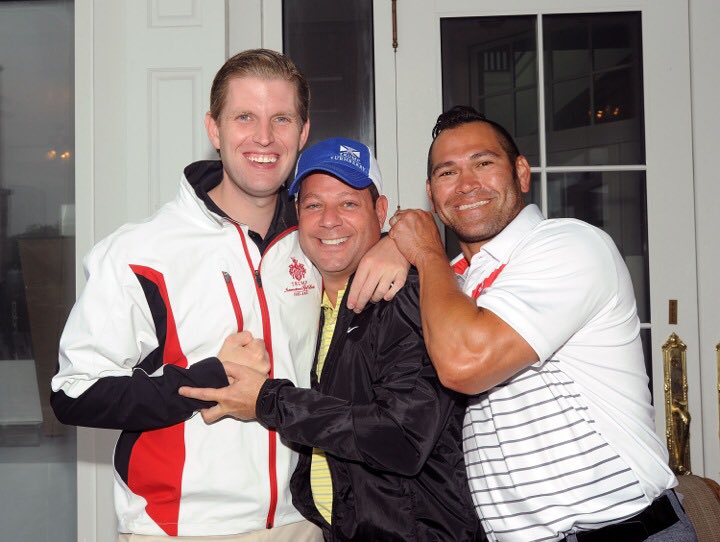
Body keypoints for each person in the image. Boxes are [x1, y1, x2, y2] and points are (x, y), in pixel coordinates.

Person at [50, 49, 407, 541]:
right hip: (181, 529)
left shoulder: (318, 239)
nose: (264, 137)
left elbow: (377, 228)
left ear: (303, 132)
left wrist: (401, 241)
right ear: (214, 129)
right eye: (244, 117)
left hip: (304, 523)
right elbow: (73, 394)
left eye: (281, 119)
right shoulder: (139, 251)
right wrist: (208, 378)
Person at [388, 106, 698, 542]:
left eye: (483, 163)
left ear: (521, 172)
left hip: (624, 531)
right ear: (431, 194)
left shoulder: (569, 245)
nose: (466, 184)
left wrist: (423, 252)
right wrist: (390, 248)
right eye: (447, 172)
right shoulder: (451, 283)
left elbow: (465, 362)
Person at [180, 137, 485, 542]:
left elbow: (401, 438)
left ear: (380, 211)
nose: (329, 220)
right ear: (297, 215)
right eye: (313, 205)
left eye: (348, 204)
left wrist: (267, 400)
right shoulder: (308, 300)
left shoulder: (405, 296)